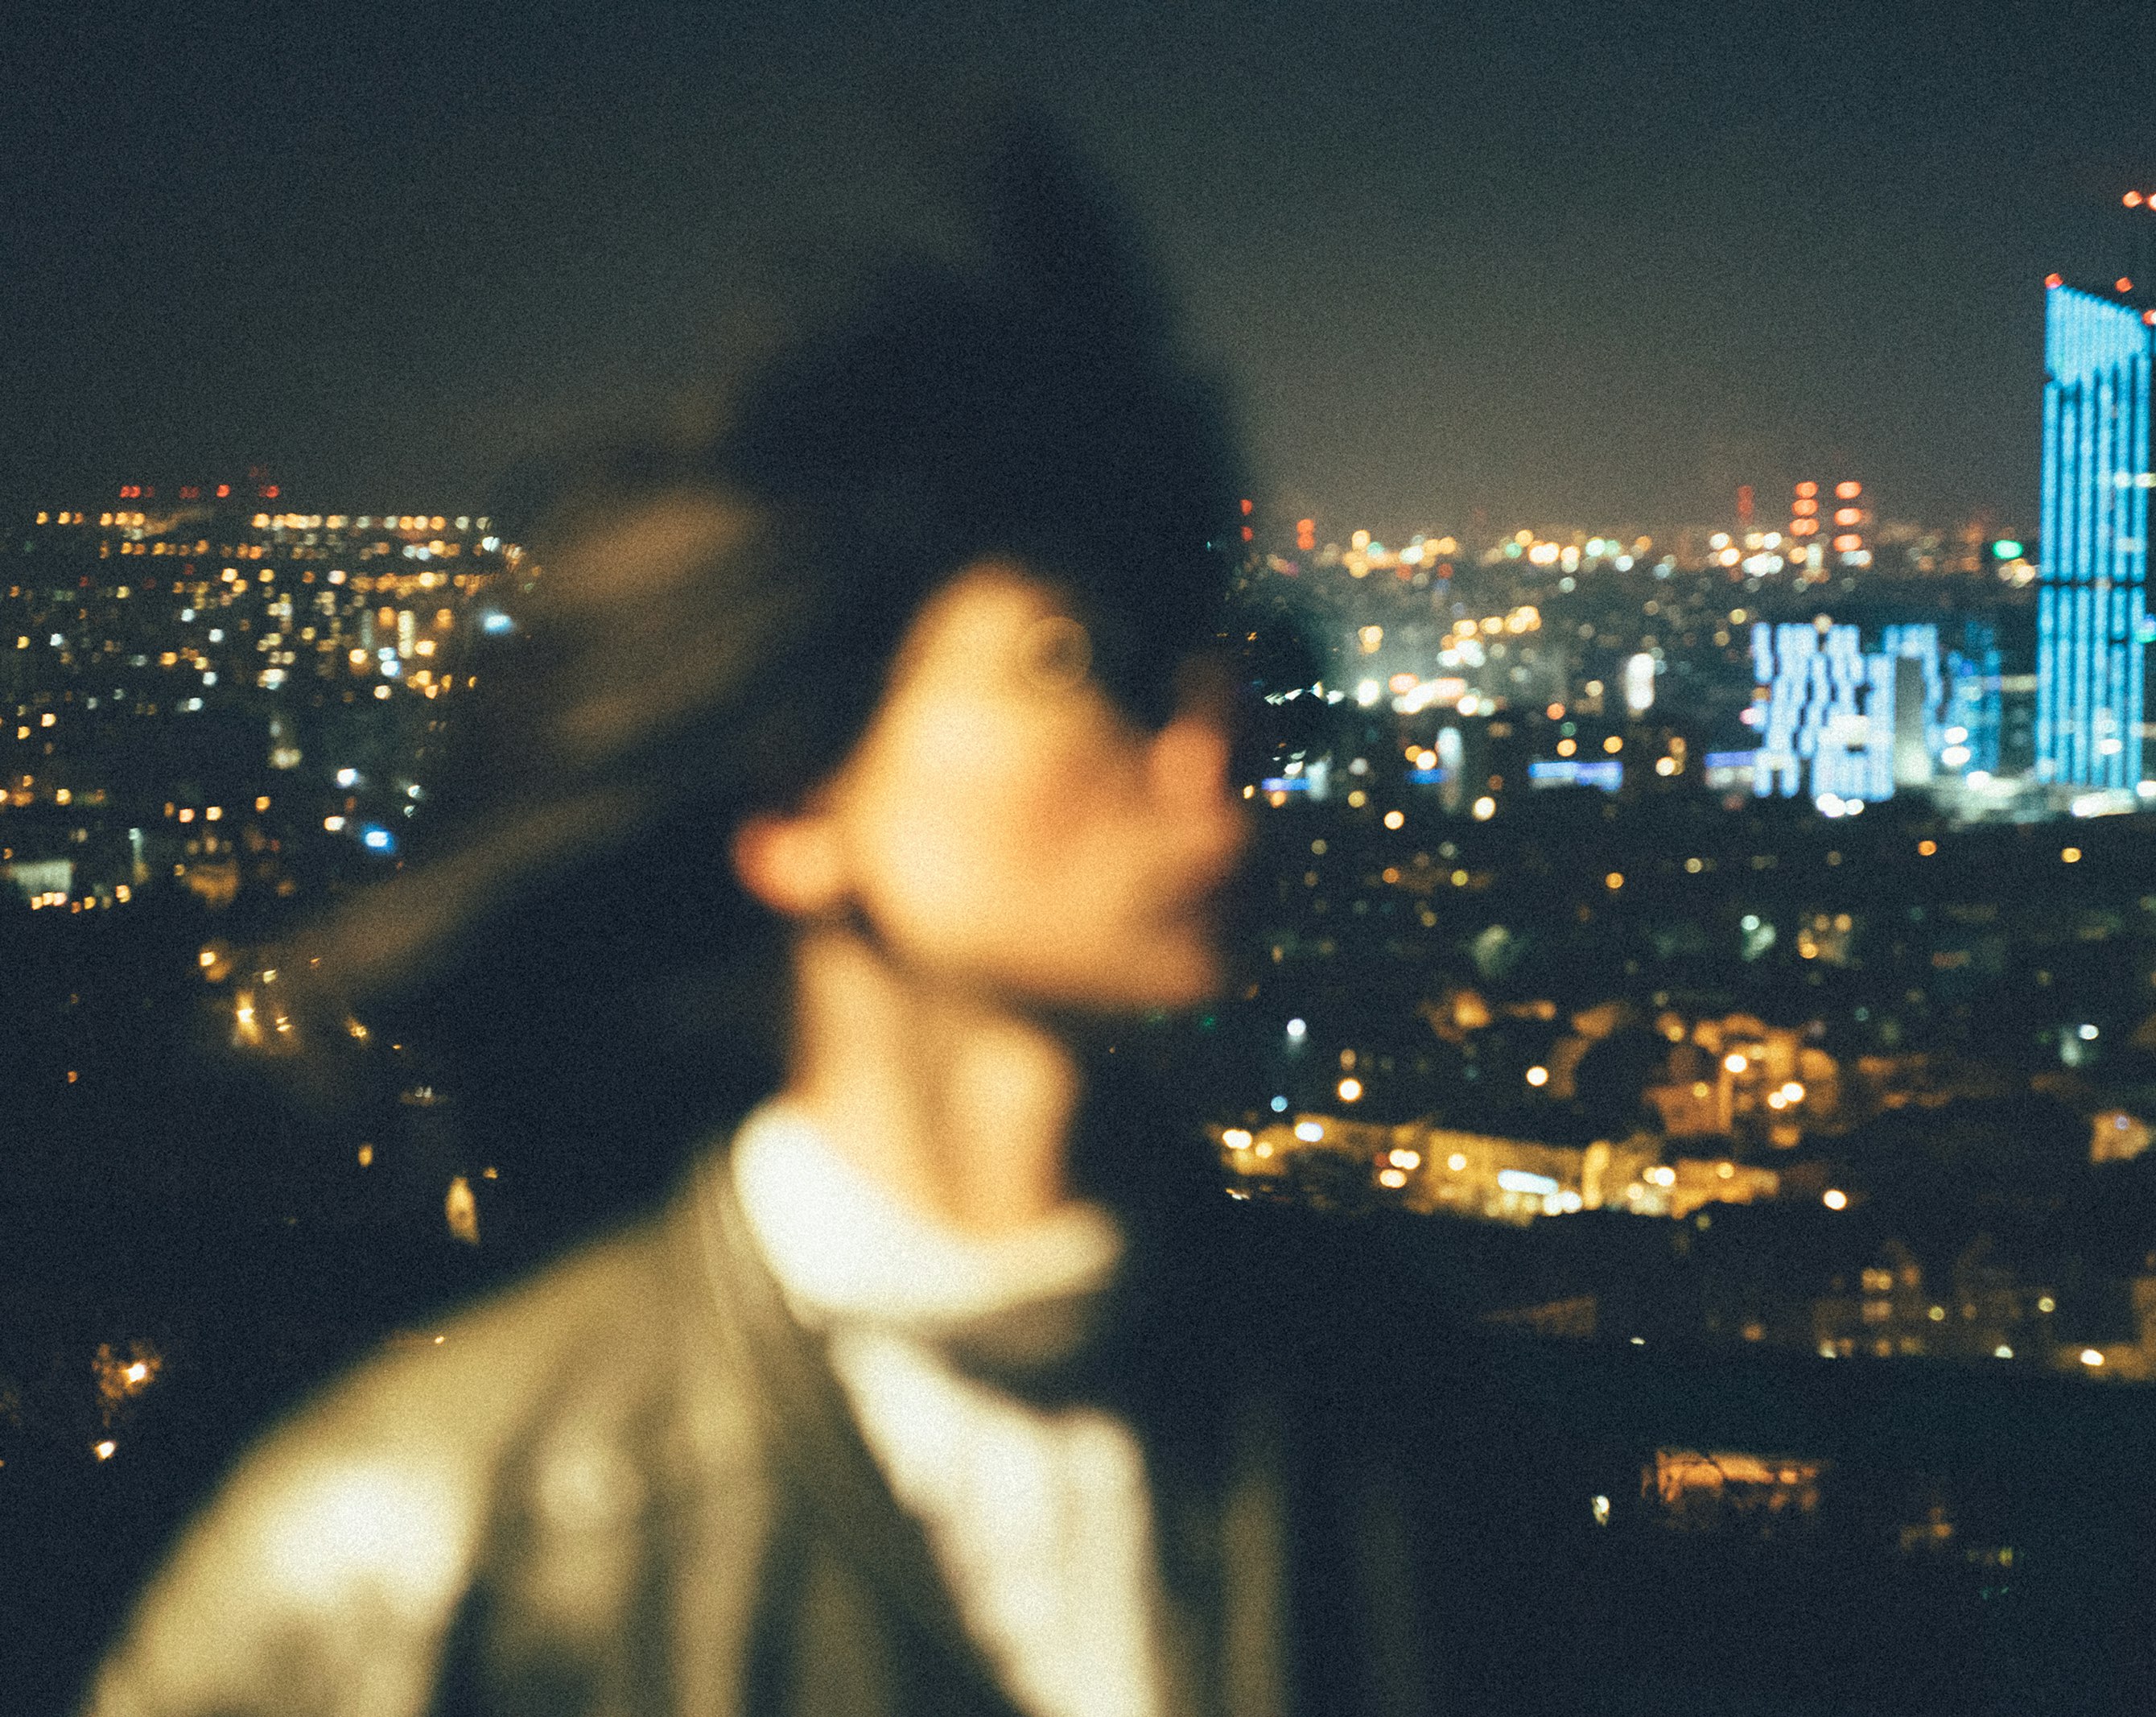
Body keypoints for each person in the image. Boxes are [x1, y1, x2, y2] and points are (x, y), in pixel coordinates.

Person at [86, 126, 1430, 1717]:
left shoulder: (1392, 1438)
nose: (1212, 756)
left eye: (1229, 666)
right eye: (1079, 663)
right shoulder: (419, 1544)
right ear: (797, 801)